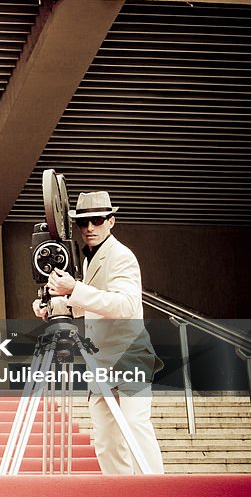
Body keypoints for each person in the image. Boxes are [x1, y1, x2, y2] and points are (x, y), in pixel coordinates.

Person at [34, 191, 165, 475]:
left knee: (135, 428)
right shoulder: (90, 258)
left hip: (130, 355)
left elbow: (126, 305)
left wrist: (75, 290)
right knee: (106, 440)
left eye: (96, 220)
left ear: (111, 221)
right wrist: (55, 304)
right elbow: (91, 304)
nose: (89, 228)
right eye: (83, 222)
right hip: (102, 362)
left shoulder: (121, 256)